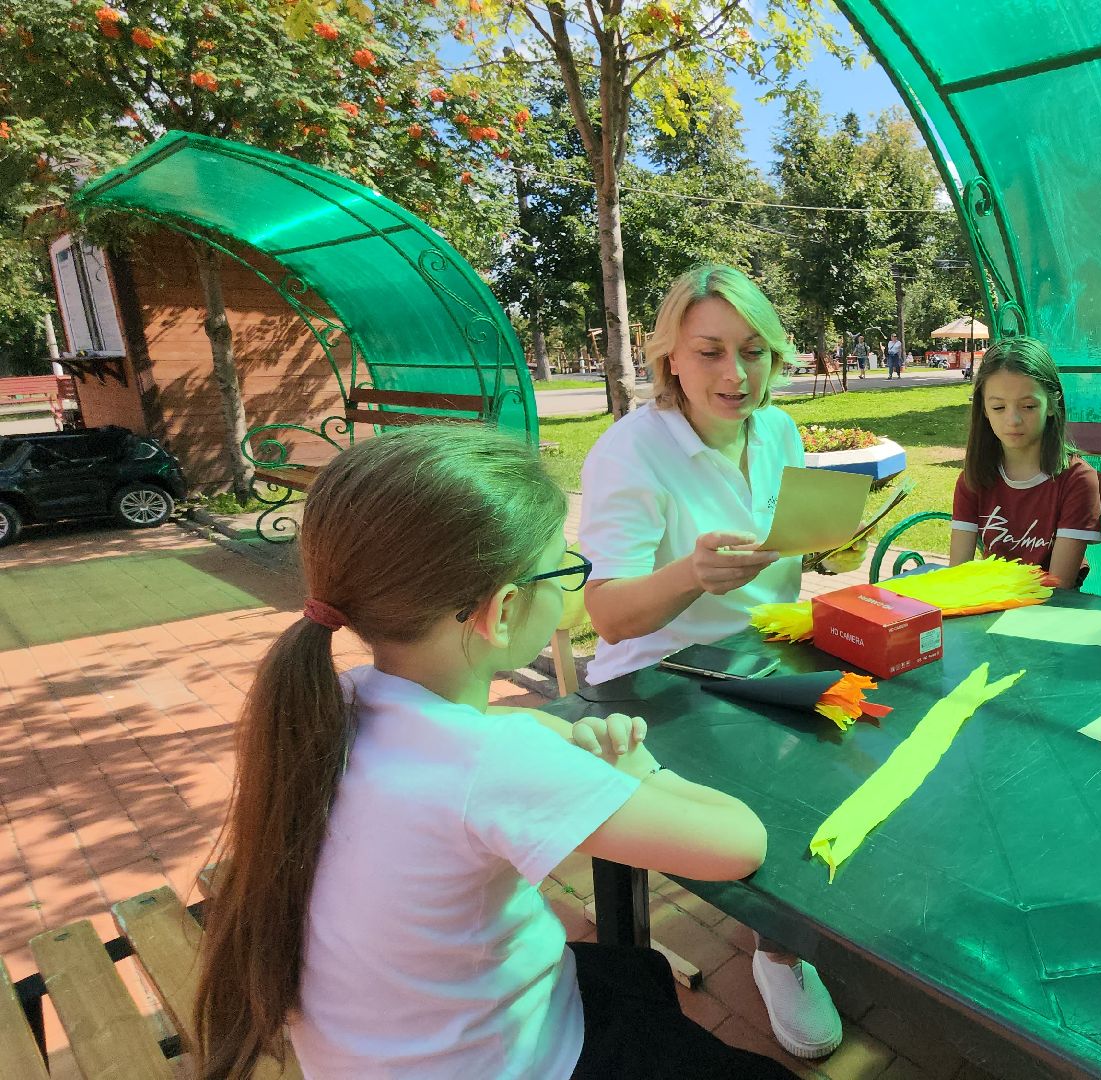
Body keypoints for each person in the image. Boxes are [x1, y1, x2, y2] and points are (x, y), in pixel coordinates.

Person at [191, 425, 788, 1080]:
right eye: (562, 569)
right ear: (502, 611)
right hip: (524, 1062)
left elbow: (492, 739)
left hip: (407, 1050)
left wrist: (544, 738)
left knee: (626, 974)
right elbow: (741, 843)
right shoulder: (489, 762)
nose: (569, 586)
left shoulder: (330, 704)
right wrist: (638, 771)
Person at [577, 264, 844, 1059]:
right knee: (790, 797)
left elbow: (789, 548)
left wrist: (824, 541)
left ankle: (782, 940)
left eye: (755, 351)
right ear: (671, 361)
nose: (737, 374)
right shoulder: (630, 452)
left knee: (864, 738)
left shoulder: (780, 432)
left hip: (766, 650)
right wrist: (690, 575)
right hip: (660, 679)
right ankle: (782, 950)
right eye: (712, 352)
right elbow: (609, 613)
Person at [948, 336, 1101, 586]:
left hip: (1050, 614)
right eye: (998, 408)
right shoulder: (973, 478)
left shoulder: (1077, 479)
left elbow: (1058, 585)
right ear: (984, 410)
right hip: (987, 606)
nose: (1013, 420)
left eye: (1028, 406)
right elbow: (957, 576)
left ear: (1052, 404)